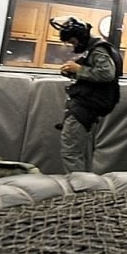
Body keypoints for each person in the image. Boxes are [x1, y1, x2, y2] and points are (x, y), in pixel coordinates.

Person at [51, 16, 122, 173]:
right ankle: (87, 185)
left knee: (70, 150)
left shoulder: (98, 50)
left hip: (86, 106)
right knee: (83, 151)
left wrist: (79, 70)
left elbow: (107, 74)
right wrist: (72, 73)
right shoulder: (92, 51)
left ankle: (79, 189)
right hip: (88, 104)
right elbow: (92, 76)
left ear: (81, 38)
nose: (73, 46)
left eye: (74, 42)